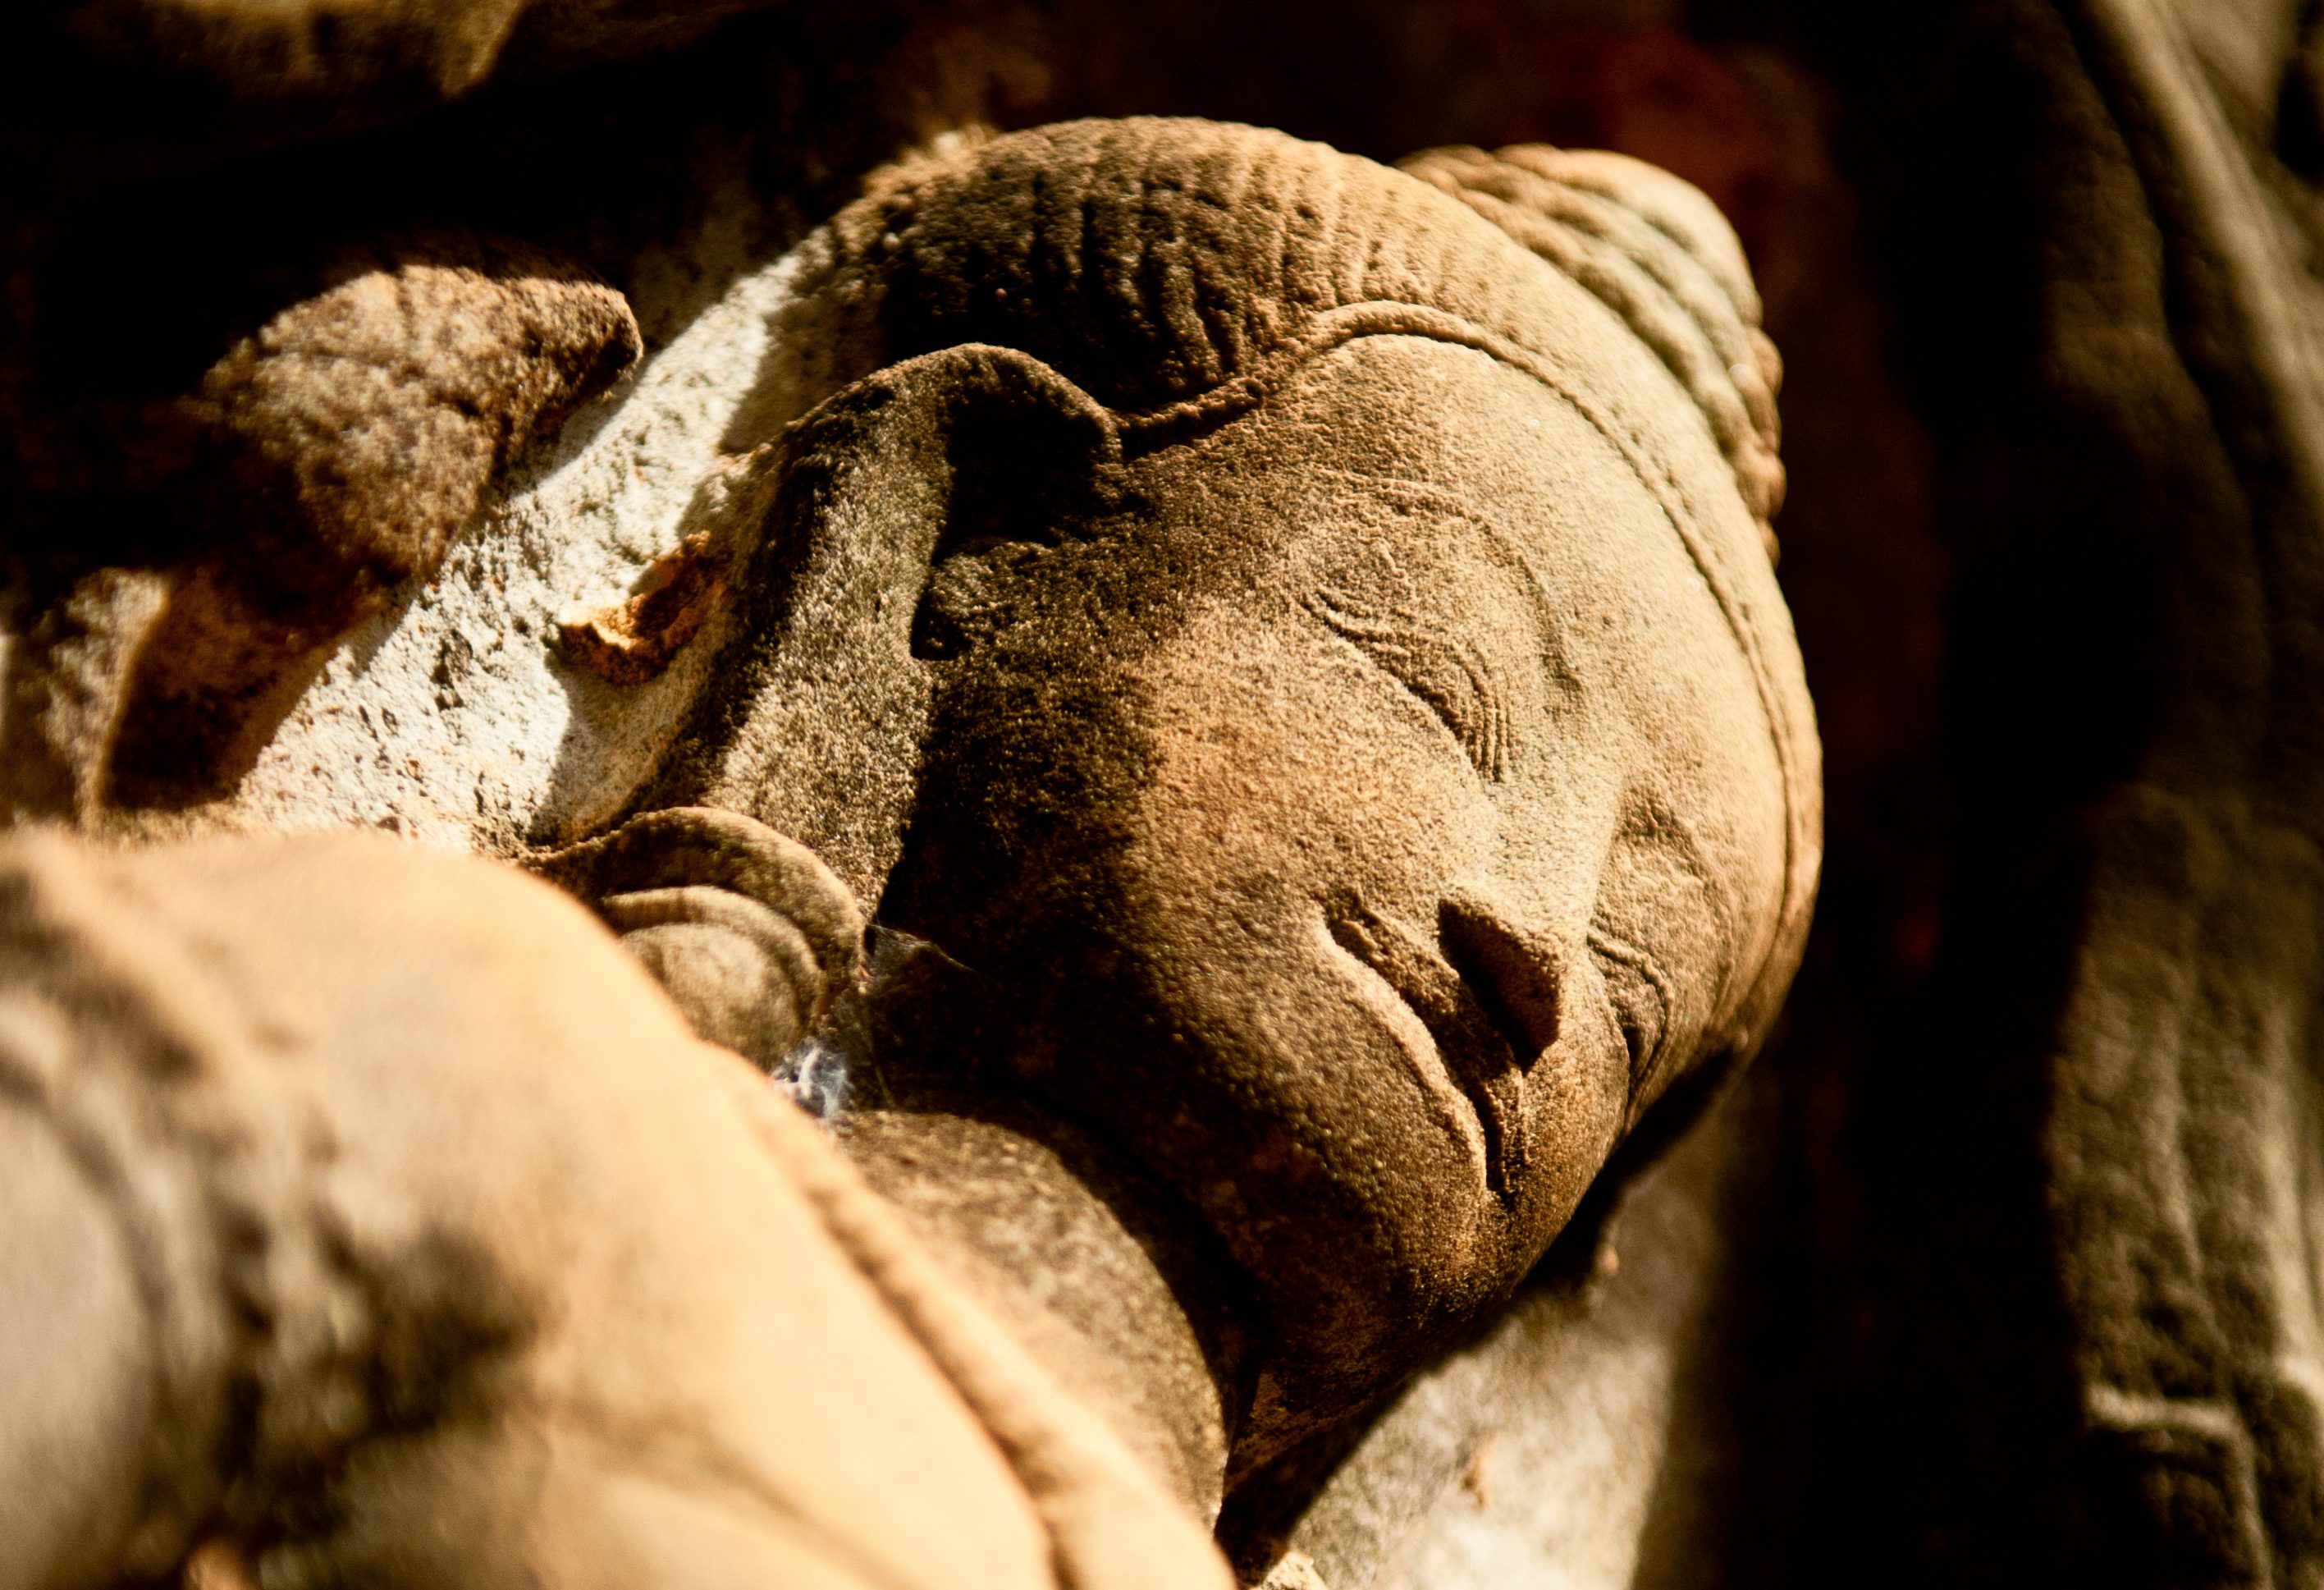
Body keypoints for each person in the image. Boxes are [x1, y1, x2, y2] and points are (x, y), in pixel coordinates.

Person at [0, 118, 1818, 1587]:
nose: (1543, 952)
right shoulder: (475, 1073)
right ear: (959, 560)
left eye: (1643, 983)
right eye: (1432, 685)